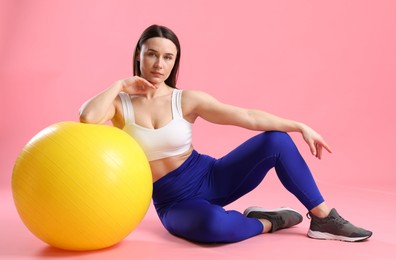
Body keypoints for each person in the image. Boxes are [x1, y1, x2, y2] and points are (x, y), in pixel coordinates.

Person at [79, 24, 372, 243]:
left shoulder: (187, 100)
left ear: (175, 61)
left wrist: (299, 125)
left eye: (168, 57)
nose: (159, 64)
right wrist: (119, 85)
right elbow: (87, 118)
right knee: (212, 226)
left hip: (211, 177)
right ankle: (268, 221)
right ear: (139, 55)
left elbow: (246, 117)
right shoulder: (120, 105)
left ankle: (323, 218)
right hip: (174, 202)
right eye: (152, 54)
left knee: (276, 140)